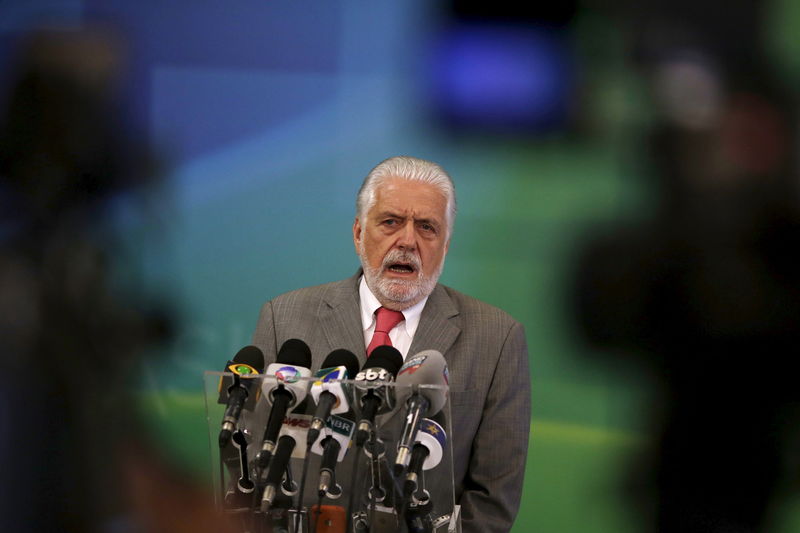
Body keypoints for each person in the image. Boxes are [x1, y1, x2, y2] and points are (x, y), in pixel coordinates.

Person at [251, 155, 531, 533]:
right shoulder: (282, 318)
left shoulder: (497, 338)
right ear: (358, 233)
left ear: (445, 245)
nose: (408, 241)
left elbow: (492, 500)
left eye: (427, 227)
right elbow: (256, 461)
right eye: (390, 222)